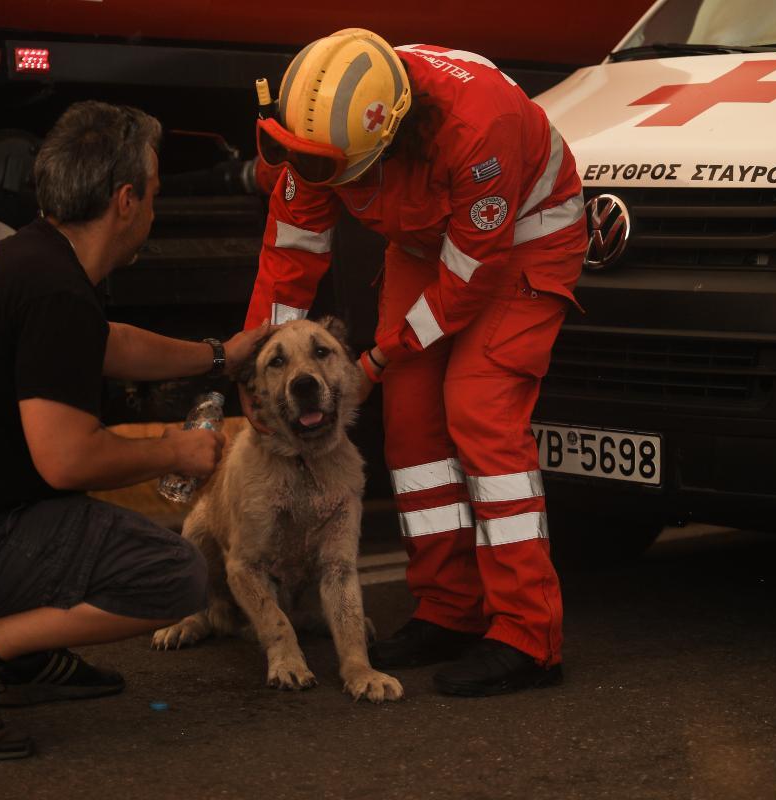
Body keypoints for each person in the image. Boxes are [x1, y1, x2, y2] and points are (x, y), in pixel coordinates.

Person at [0, 101, 272, 760]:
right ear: (125, 201)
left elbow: (108, 343)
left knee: (71, 505)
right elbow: (66, 459)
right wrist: (173, 451)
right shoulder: (54, 291)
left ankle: (26, 658)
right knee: (174, 575)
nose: (155, 209)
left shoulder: (34, 257)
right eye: (153, 193)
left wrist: (218, 355)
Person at [242, 29, 586, 696]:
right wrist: (263, 367)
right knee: (410, 424)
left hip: (525, 238)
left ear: (389, 140)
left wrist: (378, 355)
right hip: (430, 242)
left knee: (479, 411)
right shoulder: (324, 129)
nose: (315, 178)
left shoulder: (480, 129)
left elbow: (469, 276)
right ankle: (449, 608)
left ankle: (527, 635)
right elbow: (290, 255)